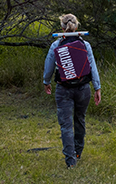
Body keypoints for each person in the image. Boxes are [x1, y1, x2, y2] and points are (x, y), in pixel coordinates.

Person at [43, 14, 101, 169]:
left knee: (66, 125)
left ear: (62, 28)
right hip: (83, 89)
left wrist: (46, 82)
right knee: (80, 120)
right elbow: (92, 66)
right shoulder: (85, 45)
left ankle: (71, 161)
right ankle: (78, 153)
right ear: (77, 27)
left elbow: (49, 66)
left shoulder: (56, 45)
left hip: (64, 89)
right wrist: (97, 87)